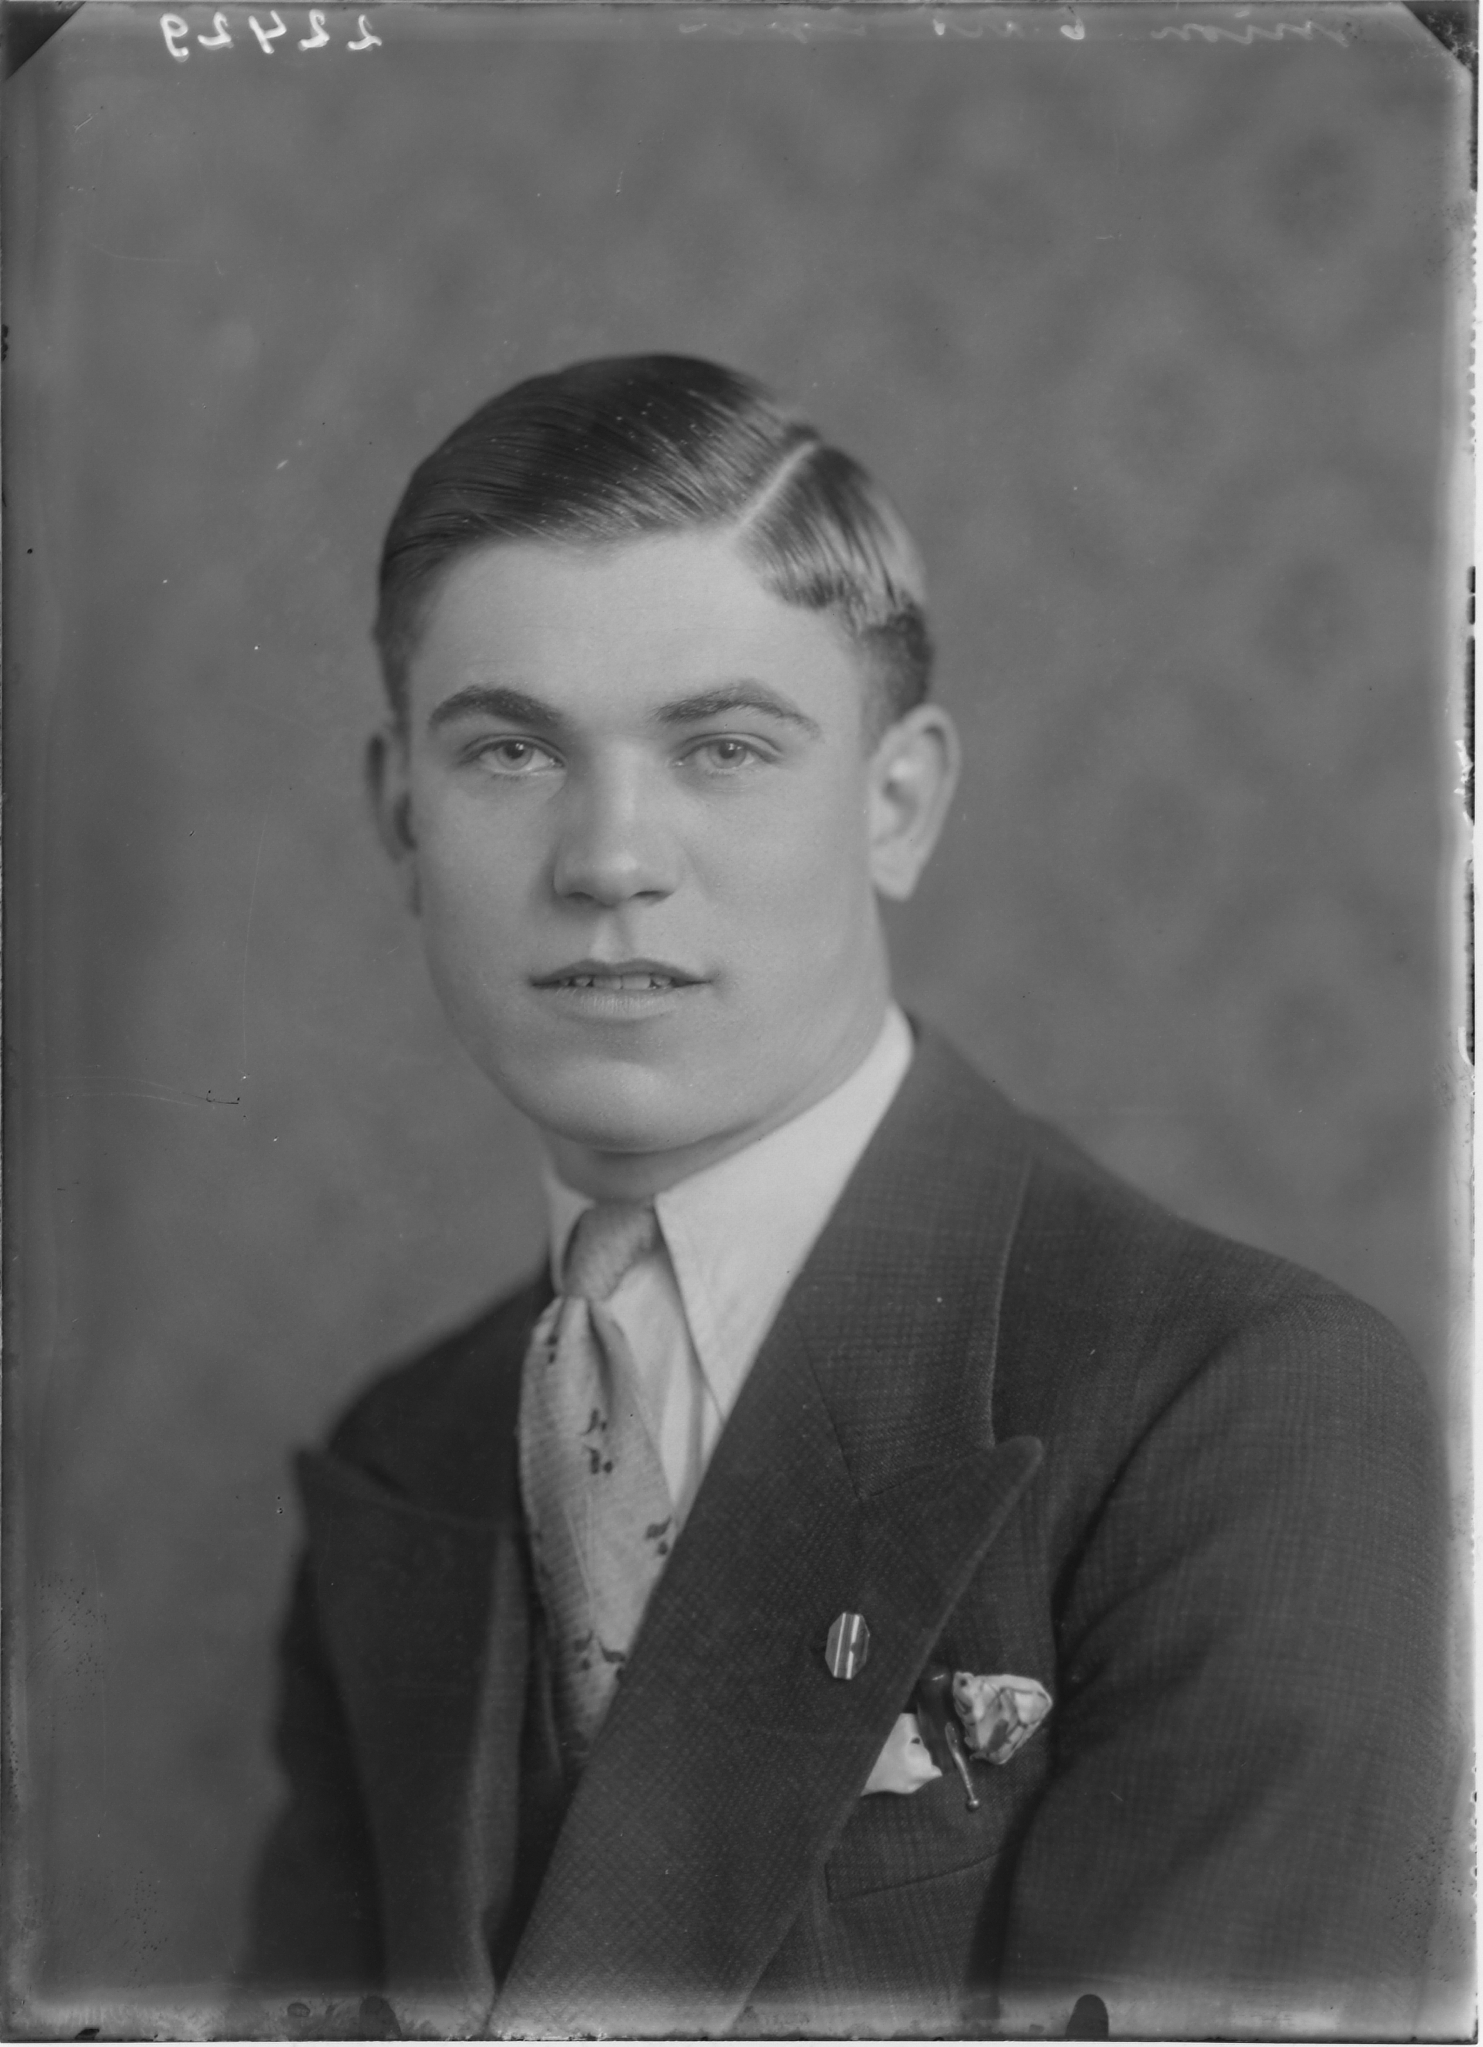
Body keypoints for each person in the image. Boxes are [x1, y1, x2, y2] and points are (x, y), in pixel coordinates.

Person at [242, 355, 1449, 2040]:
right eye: (509, 750)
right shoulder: (413, 1449)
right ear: (399, 819)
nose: (610, 859)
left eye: (725, 747)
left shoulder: (1234, 1404)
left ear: (898, 803)